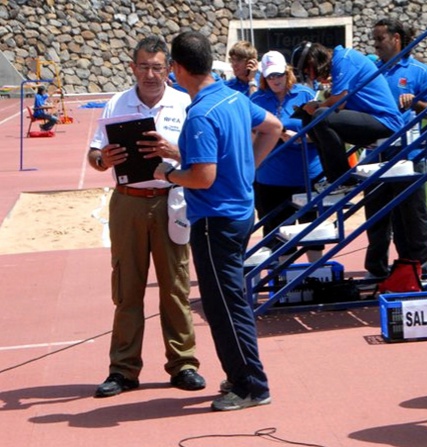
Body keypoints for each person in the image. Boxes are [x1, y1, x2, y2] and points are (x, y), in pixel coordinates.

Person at [156, 30, 282, 411]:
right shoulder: (234, 98)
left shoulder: (200, 114)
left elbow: (202, 176)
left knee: (225, 306)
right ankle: (243, 374)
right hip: (239, 211)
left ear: (176, 69)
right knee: (229, 302)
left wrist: (168, 174)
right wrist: (246, 170)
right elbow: (273, 127)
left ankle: (250, 385)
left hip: (215, 219)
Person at [87, 35, 205, 398]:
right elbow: (93, 157)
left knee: (175, 287)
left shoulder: (185, 103)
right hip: (128, 202)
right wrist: (104, 159)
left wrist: (176, 150)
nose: (151, 74)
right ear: (132, 68)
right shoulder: (116, 104)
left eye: (157, 67)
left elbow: (203, 158)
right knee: (127, 288)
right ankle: (123, 370)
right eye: (144, 67)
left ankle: (183, 364)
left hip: (172, 201)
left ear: (170, 68)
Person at [364, 18, 427, 279]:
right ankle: (377, 268)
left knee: (412, 215)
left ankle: (419, 267)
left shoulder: (419, 72)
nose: (375, 45)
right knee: (376, 214)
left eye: (379, 39)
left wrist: (416, 103)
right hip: (375, 151)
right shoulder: (371, 70)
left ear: (396, 39)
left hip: (410, 153)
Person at [291, 41, 404, 194]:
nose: (312, 77)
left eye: (307, 71)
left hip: (385, 121)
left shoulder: (344, 59)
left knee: (320, 116)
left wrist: (316, 106)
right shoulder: (340, 61)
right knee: (310, 118)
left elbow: (339, 103)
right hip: (370, 118)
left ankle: (344, 180)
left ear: (313, 62)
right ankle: (333, 178)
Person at [250, 50, 324, 262]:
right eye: (270, 76)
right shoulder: (256, 100)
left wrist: (304, 138)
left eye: (279, 74)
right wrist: (276, 135)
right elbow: (250, 136)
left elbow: (323, 132)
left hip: (307, 177)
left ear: (287, 72)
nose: (275, 80)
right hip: (271, 181)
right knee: (278, 237)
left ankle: (318, 277)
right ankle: (284, 285)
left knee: (315, 234)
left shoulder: (306, 95)